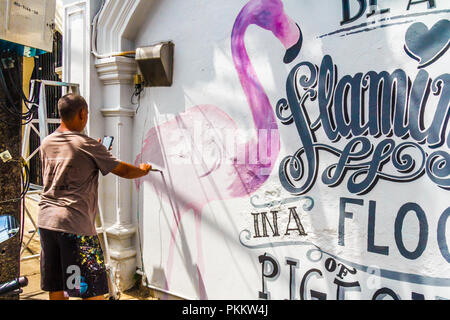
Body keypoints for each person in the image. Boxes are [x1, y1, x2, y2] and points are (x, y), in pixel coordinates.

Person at [37, 93, 152, 300]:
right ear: (82, 113)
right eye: (87, 113)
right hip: (75, 226)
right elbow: (124, 171)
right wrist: (142, 170)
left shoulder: (46, 142)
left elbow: (68, 164)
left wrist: (97, 152)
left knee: (59, 286)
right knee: (92, 291)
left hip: (46, 222)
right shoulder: (87, 145)